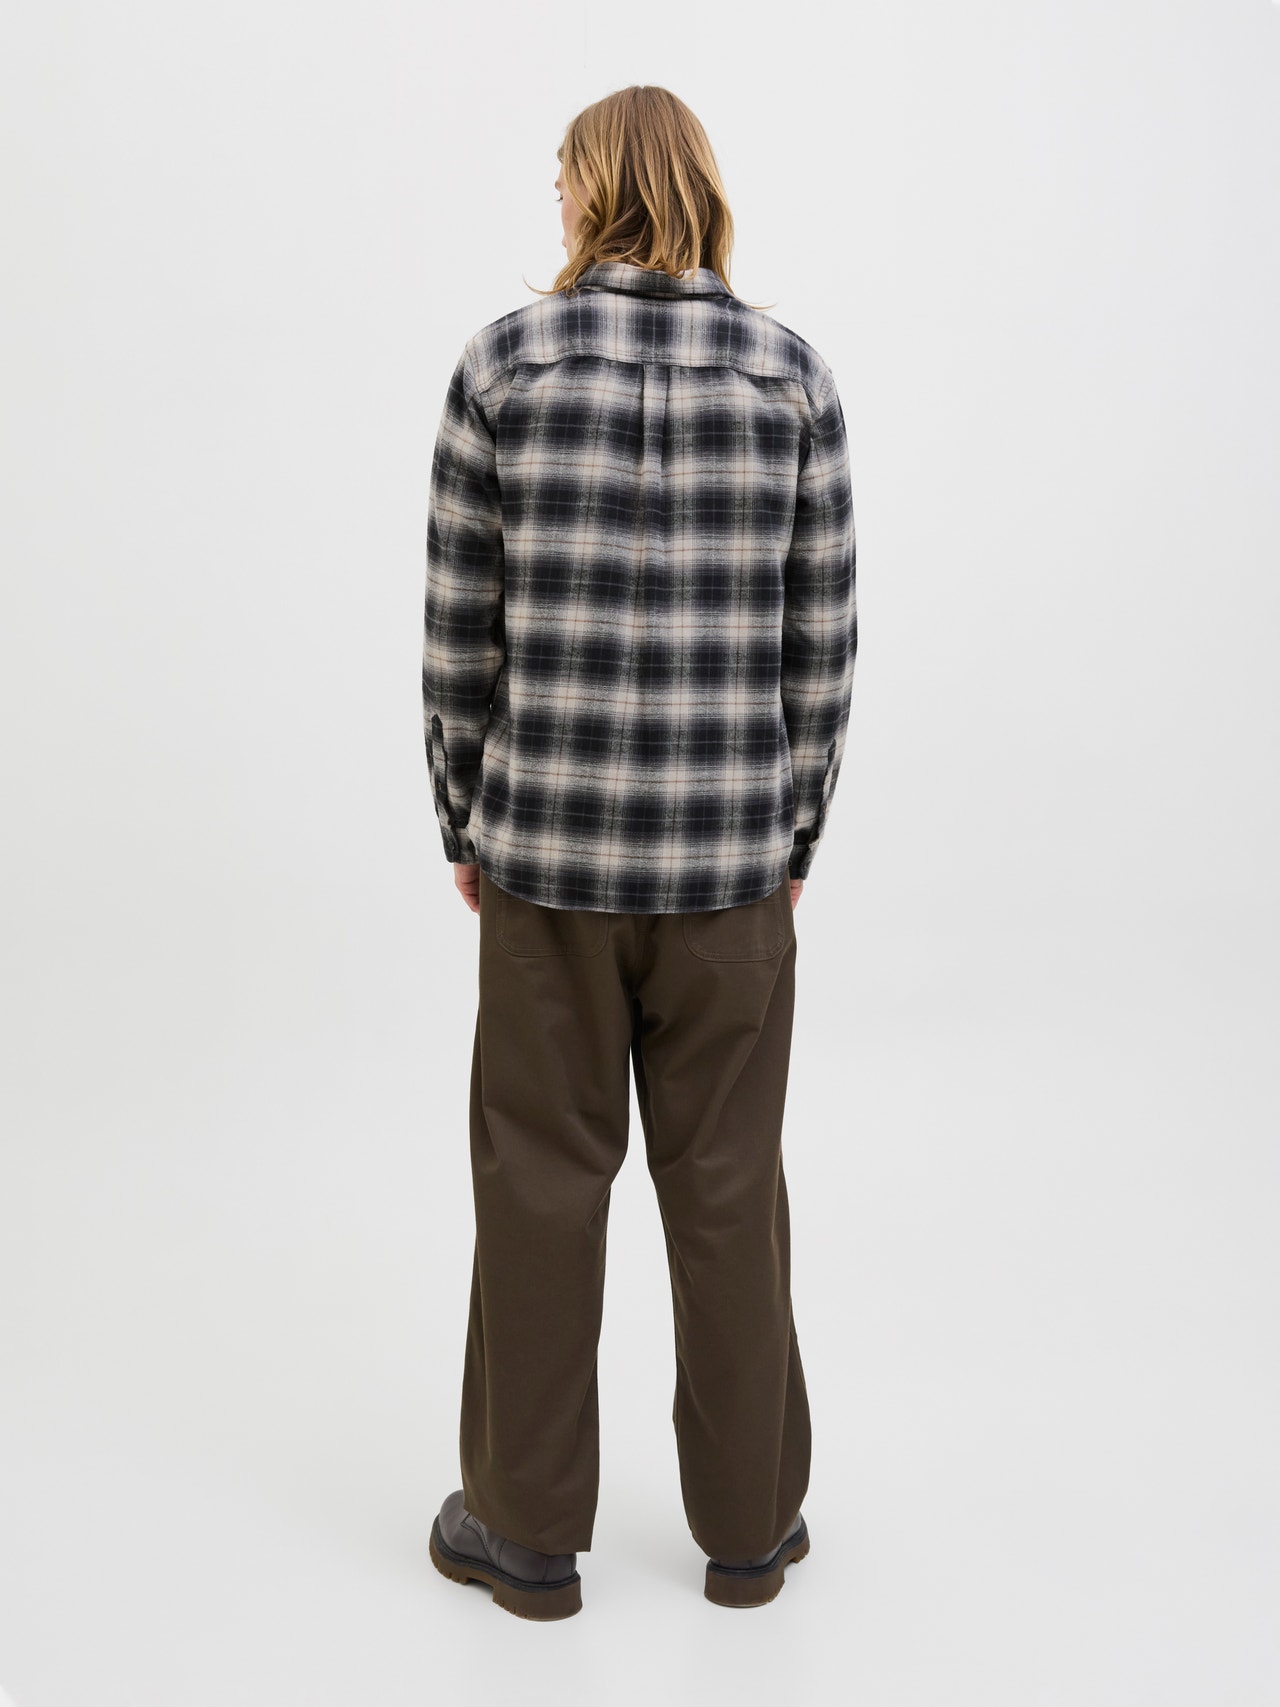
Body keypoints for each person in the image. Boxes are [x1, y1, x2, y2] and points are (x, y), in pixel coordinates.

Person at [422, 84, 856, 1619]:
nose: (554, 202)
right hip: (730, 876)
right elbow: (822, 647)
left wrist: (465, 815)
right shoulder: (791, 378)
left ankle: (526, 1534)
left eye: (563, 178)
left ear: (597, 188)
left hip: (546, 865)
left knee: (540, 1184)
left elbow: (459, 635)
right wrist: (793, 832)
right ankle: (750, 1531)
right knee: (728, 1186)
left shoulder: (504, 367)